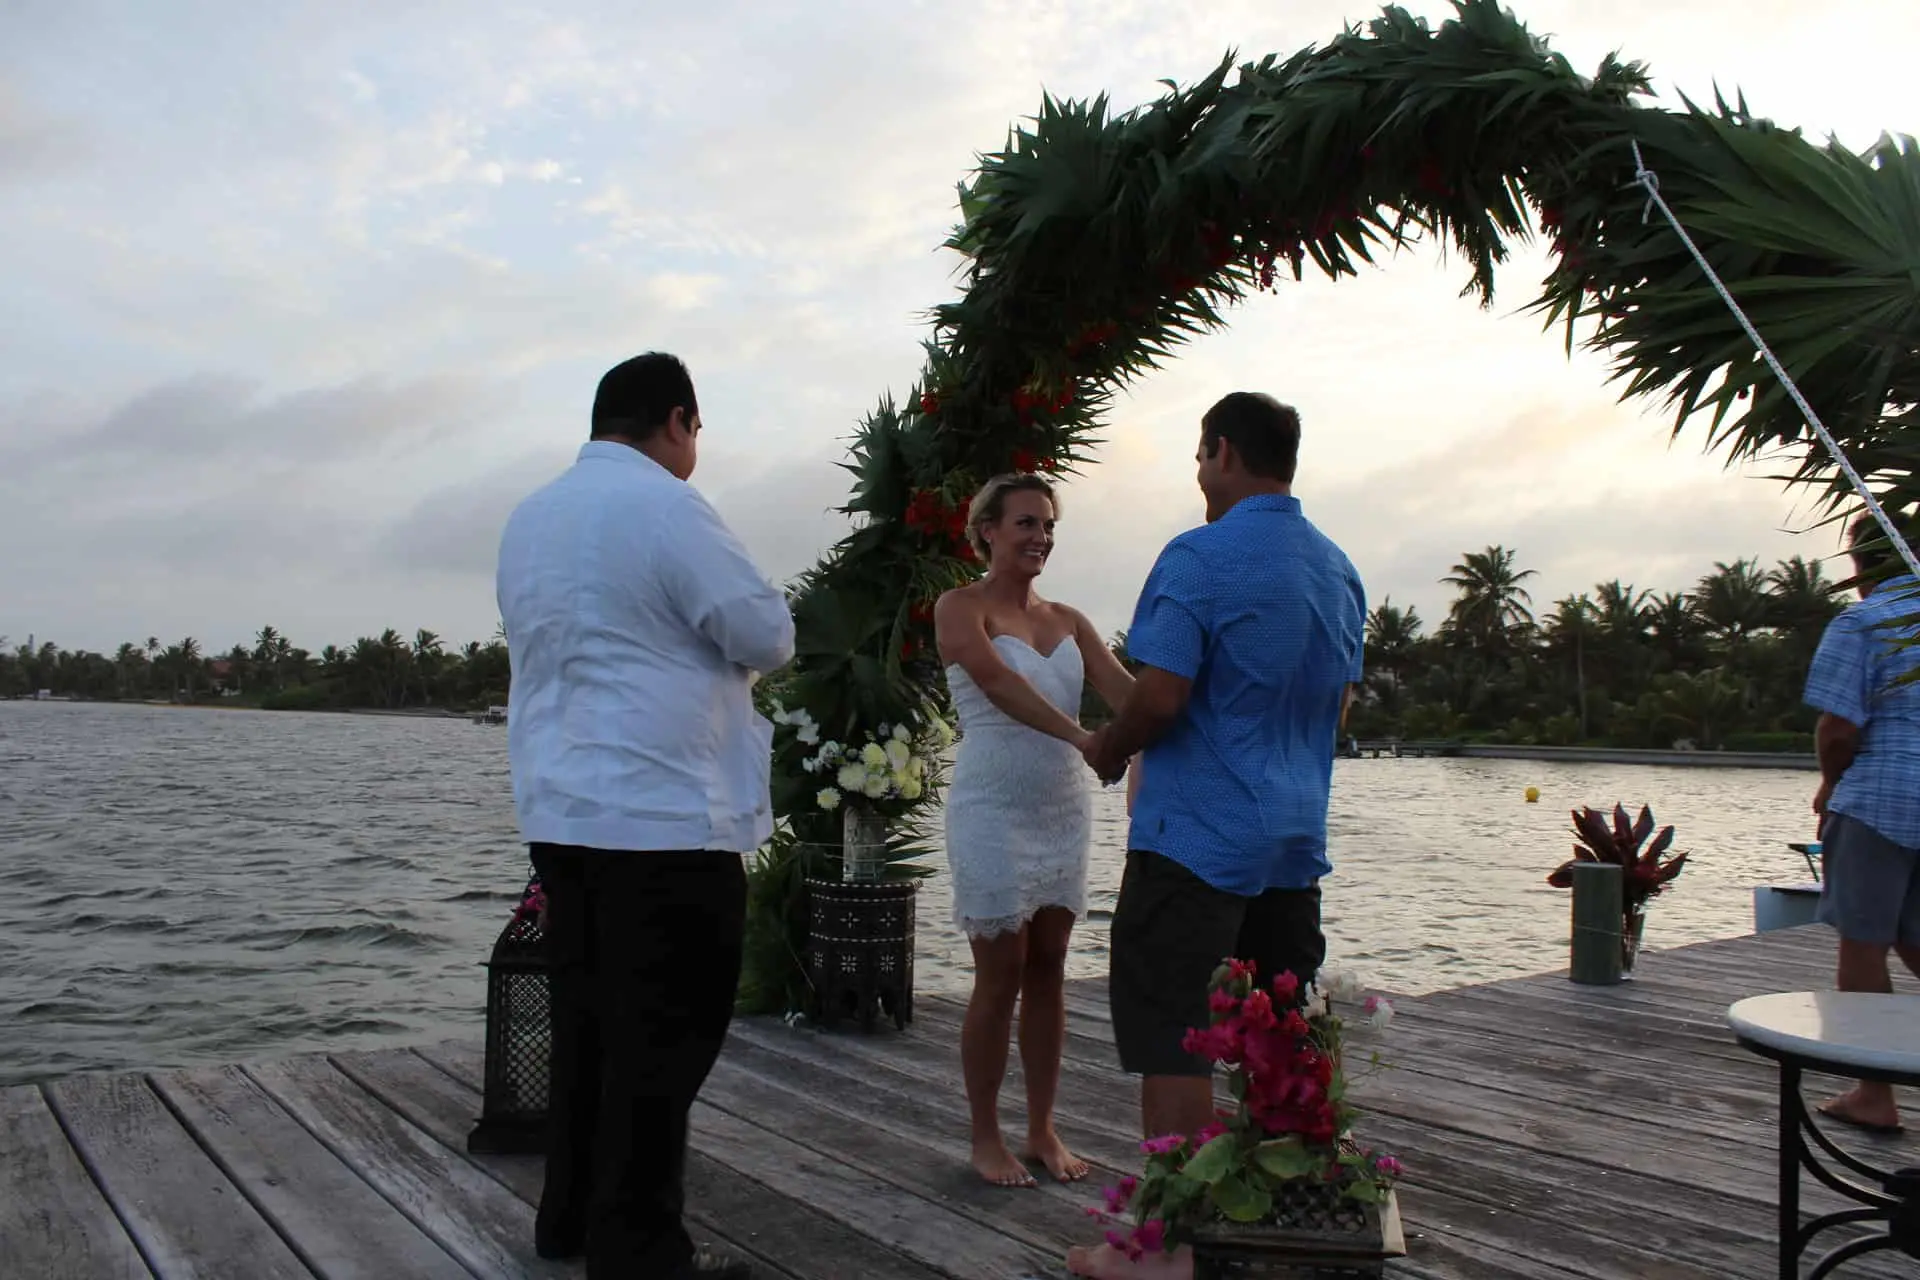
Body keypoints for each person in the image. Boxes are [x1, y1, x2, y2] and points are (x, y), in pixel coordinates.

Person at [496, 352, 794, 1279]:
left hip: (563, 810)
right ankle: (641, 1253)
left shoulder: (530, 516)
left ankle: (569, 1218)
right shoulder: (670, 506)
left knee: (588, 1025)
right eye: (695, 431)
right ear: (677, 422)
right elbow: (765, 634)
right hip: (664, 816)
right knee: (664, 1041)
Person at [1067, 392, 1365, 1280]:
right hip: (1293, 844)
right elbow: (1340, 706)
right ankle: (1271, 1228)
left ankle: (1169, 1248)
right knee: (1278, 1036)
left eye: (1202, 456)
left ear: (1223, 452)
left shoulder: (1199, 556)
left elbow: (1160, 696)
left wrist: (1112, 748)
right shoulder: (1339, 569)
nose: (1199, 473)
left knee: (1175, 1033)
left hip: (1197, 839)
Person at [934, 472, 1137, 1188]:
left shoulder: (1071, 621)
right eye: (1026, 523)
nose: (1040, 537)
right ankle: (985, 1136)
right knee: (1000, 973)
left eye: (1048, 525)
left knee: (1050, 966)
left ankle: (1042, 1127)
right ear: (987, 529)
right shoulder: (959, 608)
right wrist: (1084, 739)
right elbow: (998, 684)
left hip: (1061, 808)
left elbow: (1128, 696)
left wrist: (1170, 722)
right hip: (991, 804)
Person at [1803, 510, 1920, 1135]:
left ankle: (1874, 1093)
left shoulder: (1865, 621)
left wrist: (1829, 785)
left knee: (1863, 941)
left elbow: (1838, 728)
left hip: (1880, 800)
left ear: (1859, 565)